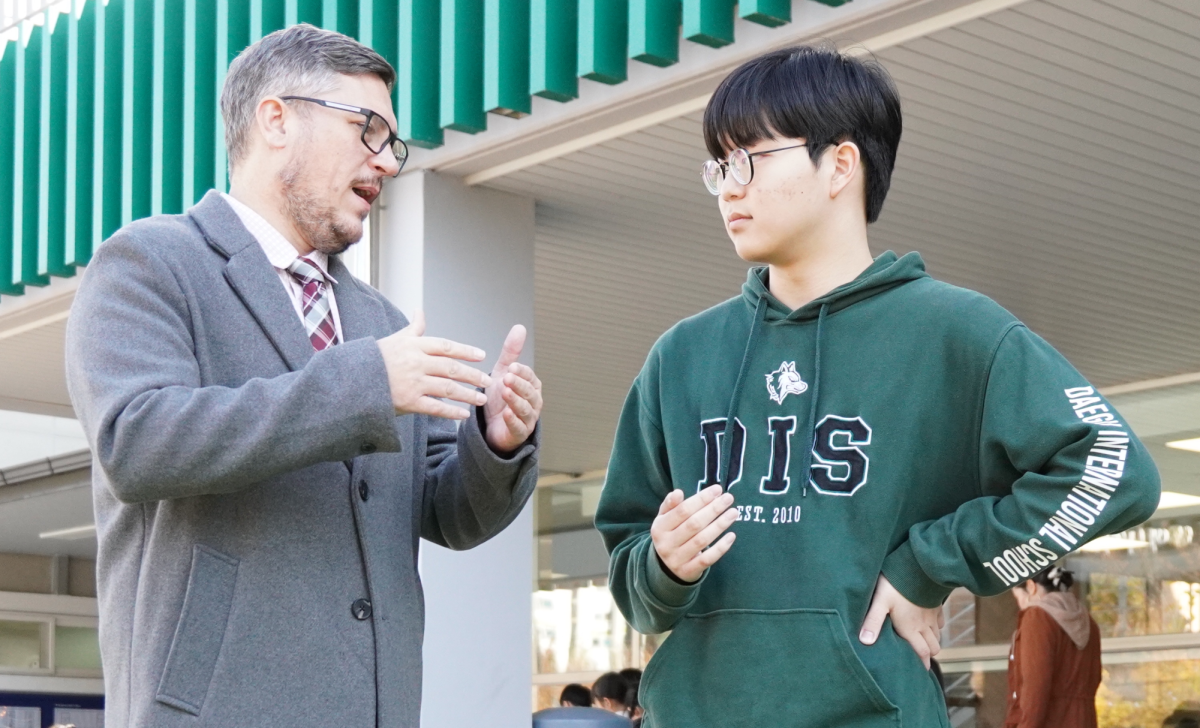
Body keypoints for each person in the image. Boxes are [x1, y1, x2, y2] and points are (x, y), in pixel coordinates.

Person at [594, 44, 1160, 727]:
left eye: (748, 158)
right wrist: (662, 564)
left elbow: (1112, 468)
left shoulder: (954, 332)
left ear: (839, 165)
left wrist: (931, 563)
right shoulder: (680, 357)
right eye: (717, 165)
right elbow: (637, 589)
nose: (728, 187)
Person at [64, 24, 542, 728]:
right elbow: (137, 443)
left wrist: (494, 444)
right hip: (212, 710)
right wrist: (364, 386)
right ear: (277, 119)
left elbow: (448, 512)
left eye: (392, 143)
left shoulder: (379, 321)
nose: (386, 162)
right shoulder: (151, 264)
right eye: (367, 130)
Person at [1005, 566, 1101, 728]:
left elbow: (1035, 687)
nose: (1021, 605)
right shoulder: (1089, 622)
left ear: (1031, 586)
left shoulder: (1037, 617)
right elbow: (1095, 677)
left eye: (1019, 597)